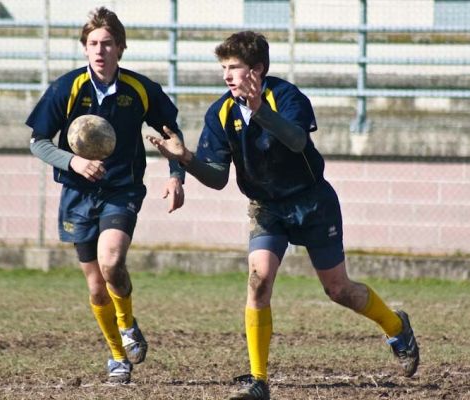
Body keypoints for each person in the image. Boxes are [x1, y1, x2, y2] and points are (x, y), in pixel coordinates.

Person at [147, 31, 419, 400]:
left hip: (312, 202)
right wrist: (186, 160)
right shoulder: (220, 112)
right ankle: (258, 380)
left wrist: (260, 110)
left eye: (235, 67)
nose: (227, 75)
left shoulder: (286, 96)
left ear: (257, 70)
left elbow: (297, 141)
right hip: (267, 207)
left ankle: (395, 325)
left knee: (338, 289)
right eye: (223, 67)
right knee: (258, 280)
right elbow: (217, 178)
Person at [26, 7, 185, 384]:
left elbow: (171, 134)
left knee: (112, 262)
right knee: (96, 286)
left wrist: (176, 175)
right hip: (78, 194)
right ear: (84, 49)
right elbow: (38, 142)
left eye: (108, 43)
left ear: (121, 48)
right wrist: (73, 162)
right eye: (93, 43)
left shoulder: (140, 90)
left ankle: (127, 324)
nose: (100, 50)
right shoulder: (65, 89)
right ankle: (117, 356)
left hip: (122, 190)